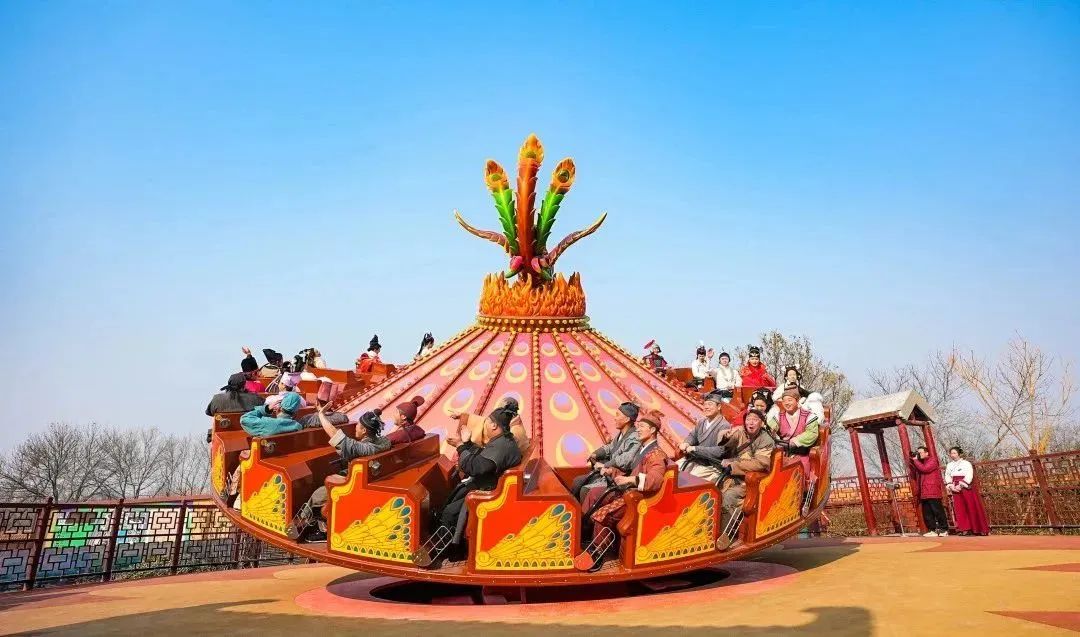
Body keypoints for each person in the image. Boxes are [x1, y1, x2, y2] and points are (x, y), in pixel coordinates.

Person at [427, 405, 523, 563]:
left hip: (488, 492)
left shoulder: (502, 446)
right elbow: (483, 457)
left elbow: (477, 467)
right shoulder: (503, 441)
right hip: (487, 484)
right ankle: (443, 545)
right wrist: (466, 445)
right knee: (452, 499)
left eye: (488, 421)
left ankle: (447, 551)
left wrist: (461, 447)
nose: (485, 424)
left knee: (450, 513)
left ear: (494, 425)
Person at [577, 409, 669, 571]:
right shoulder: (642, 449)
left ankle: (598, 552)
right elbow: (628, 471)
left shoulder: (656, 454)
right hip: (627, 491)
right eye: (638, 426)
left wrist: (630, 480)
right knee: (593, 493)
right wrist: (611, 471)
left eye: (642, 427)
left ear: (653, 430)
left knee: (603, 514)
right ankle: (583, 534)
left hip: (638, 498)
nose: (638, 429)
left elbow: (655, 479)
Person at [288, 407, 392, 542]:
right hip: (367, 480)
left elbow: (335, 435)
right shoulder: (384, 442)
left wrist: (321, 415)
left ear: (364, 431)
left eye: (358, 425)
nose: (355, 427)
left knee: (317, 495)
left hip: (352, 486)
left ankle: (301, 525)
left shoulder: (364, 448)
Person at [715, 409, 775, 549]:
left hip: (752, 480)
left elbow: (760, 464)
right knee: (711, 490)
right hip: (732, 475)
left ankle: (726, 536)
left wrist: (734, 464)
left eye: (755, 420)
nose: (751, 423)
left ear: (761, 423)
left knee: (728, 497)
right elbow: (727, 444)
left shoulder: (766, 440)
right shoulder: (741, 431)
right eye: (748, 419)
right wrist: (725, 437)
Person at [571, 402, 642, 500]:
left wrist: (605, 465)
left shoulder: (635, 438)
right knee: (577, 481)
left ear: (627, 419)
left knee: (585, 490)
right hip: (608, 473)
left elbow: (626, 459)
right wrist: (596, 454)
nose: (615, 418)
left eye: (617, 415)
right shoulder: (621, 434)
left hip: (618, 477)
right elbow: (610, 447)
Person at [766, 386, 820, 479]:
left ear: (797, 400)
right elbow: (770, 428)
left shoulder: (808, 416)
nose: (787, 403)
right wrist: (769, 431)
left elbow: (812, 433)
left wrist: (795, 441)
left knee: (801, 473)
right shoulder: (779, 416)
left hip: (801, 453)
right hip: (782, 453)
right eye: (784, 401)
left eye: (790, 400)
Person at [678, 391, 731, 483]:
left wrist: (696, 449)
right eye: (705, 404)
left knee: (688, 481)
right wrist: (686, 443)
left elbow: (720, 451)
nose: (706, 407)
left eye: (710, 404)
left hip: (712, 465)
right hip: (696, 459)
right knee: (673, 471)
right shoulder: (702, 422)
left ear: (719, 407)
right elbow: (693, 436)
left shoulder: (724, 425)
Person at [448, 396, 530, 455]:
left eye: (499, 410)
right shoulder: (508, 420)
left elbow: (499, 449)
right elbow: (485, 423)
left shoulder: (515, 431)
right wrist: (463, 416)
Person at [945, 446, 990, 536]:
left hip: (965, 486)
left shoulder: (966, 463)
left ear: (959, 454)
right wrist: (950, 485)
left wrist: (961, 484)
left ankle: (978, 528)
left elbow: (969, 474)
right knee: (960, 508)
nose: (952, 455)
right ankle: (965, 529)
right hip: (954, 486)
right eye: (951, 453)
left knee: (971, 506)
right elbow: (947, 475)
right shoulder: (949, 465)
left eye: (954, 453)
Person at [910, 445, 948, 537]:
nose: (919, 454)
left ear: (927, 453)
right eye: (918, 453)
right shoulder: (920, 462)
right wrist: (913, 460)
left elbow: (925, 469)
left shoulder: (932, 460)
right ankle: (932, 530)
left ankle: (944, 529)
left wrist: (915, 461)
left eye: (920, 452)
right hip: (924, 491)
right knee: (927, 513)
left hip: (932, 490)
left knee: (938, 511)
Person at [239, 392, 303, 437]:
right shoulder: (298, 427)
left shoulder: (267, 423)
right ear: (295, 413)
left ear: (278, 408)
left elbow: (244, 419)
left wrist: (266, 409)